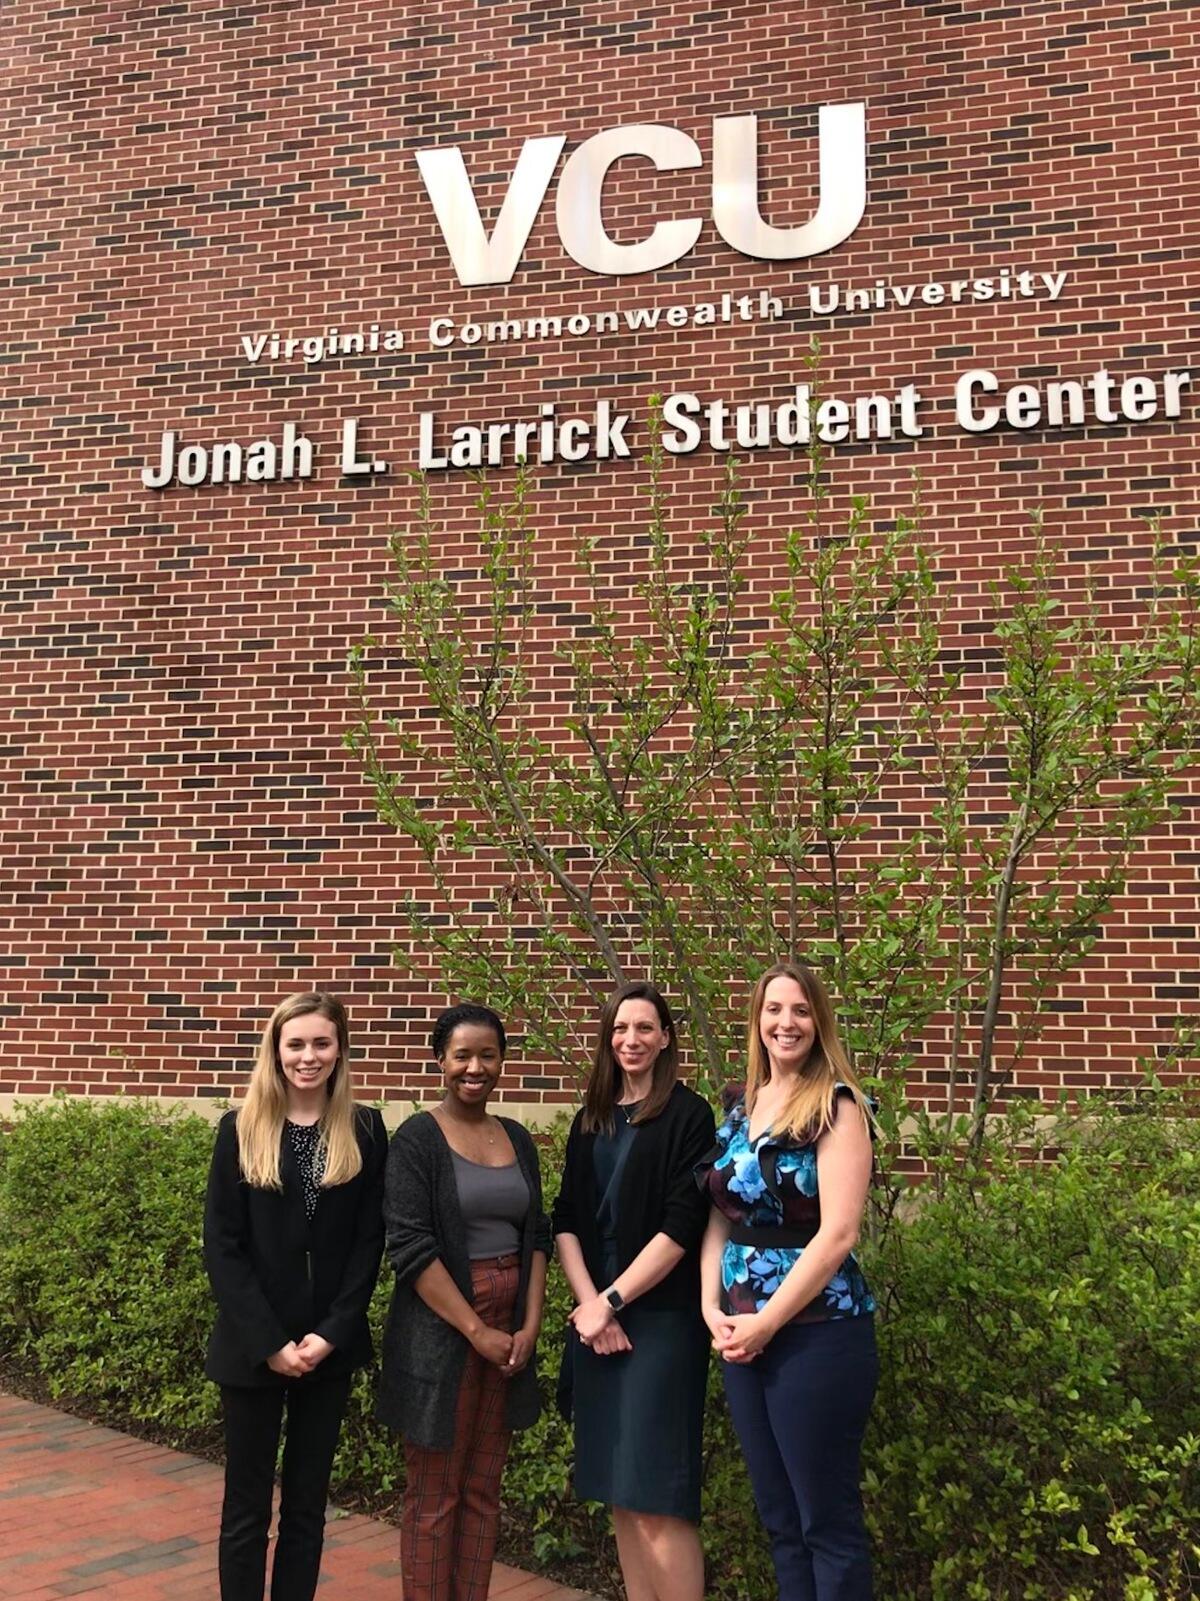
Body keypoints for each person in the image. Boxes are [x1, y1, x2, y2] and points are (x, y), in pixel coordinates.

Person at [698, 960, 877, 1601]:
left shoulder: (838, 1105)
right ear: (757, 1020)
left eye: (800, 1010)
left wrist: (767, 1323)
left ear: (818, 1021)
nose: (786, 1022)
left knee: (825, 1521)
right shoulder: (739, 1106)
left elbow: (839, 1234)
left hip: (816, 1332)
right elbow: (721, 1211)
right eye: (774, 1009)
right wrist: (709, 1306)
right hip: (740, 1334)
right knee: (779, 1520)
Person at [203, 991, 386, 1601]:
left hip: (327, 1348)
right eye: (296, 1044)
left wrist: (332, 1332)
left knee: (307, 1507)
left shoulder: (365, 1129)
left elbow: (368, 1243)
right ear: (276, 1051)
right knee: (246, 1508)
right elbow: (223, 1246)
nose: (308, 1056)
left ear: (340, 1050)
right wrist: (270, 1342)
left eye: (321, 1043)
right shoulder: (240, 1128)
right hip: (254, 1348)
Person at [377, 1003, 550, 1601]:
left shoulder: (517, 1138)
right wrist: (477, 1331)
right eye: (462, 1056)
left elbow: (537, 1235)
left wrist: (530, 1324)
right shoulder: (417, 1139)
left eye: (488, 1055)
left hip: (510, 1326)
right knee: (435, 1494)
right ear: (440, 1061)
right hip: (442, 1331)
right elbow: (410, 1248)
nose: (475, 1068)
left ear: (502, 1061)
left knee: (483, 1489)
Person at [553, 981, 716, 1601]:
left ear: (666, 1037)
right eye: (621, 1028)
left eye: (645, 1027)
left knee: (658, 1500)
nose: (631, 1039)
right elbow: (565, 1218)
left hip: (662, 1323)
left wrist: (611, 1301)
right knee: (620, 1493)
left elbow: (683, 1225)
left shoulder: (689, 1115)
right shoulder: (591, 1117)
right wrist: (590, 1306)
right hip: (599, 1324)